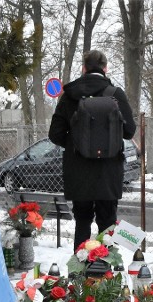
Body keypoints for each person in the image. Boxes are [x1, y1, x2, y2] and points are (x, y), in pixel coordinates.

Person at [49, 49, 136, 250]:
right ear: (105, 69)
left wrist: (76, 145)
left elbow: (55, 134)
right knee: (107, 225)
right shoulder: (115, 94)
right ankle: (105, 273)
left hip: (79, 171)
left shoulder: (69, 95)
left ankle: (80, 274)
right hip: (108, 171)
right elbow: (129, 131)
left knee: (82, 222)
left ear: (83, 68)